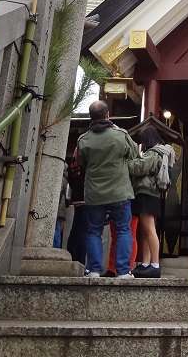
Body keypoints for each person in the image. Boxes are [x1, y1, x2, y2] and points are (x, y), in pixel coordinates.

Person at [76, 100, 139, 278]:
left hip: (95, 192)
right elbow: (134, 153)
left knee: (94, 230)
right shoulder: (120, 134)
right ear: (107, 115)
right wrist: (118, 130)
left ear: (90, 117)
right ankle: (123, 271)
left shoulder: (84, 139)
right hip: (119, 190)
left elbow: (81, 161)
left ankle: (94, 269)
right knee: (123, 230)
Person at [128, 127, 175, 278]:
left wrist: (128, 162)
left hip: (146, 192)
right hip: (152, 193)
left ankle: (154, 264)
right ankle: (146, 263)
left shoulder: (154, 153)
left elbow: (139, 167)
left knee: (149, 230)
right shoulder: (161, 152)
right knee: (146, 231)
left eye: (142, 140)